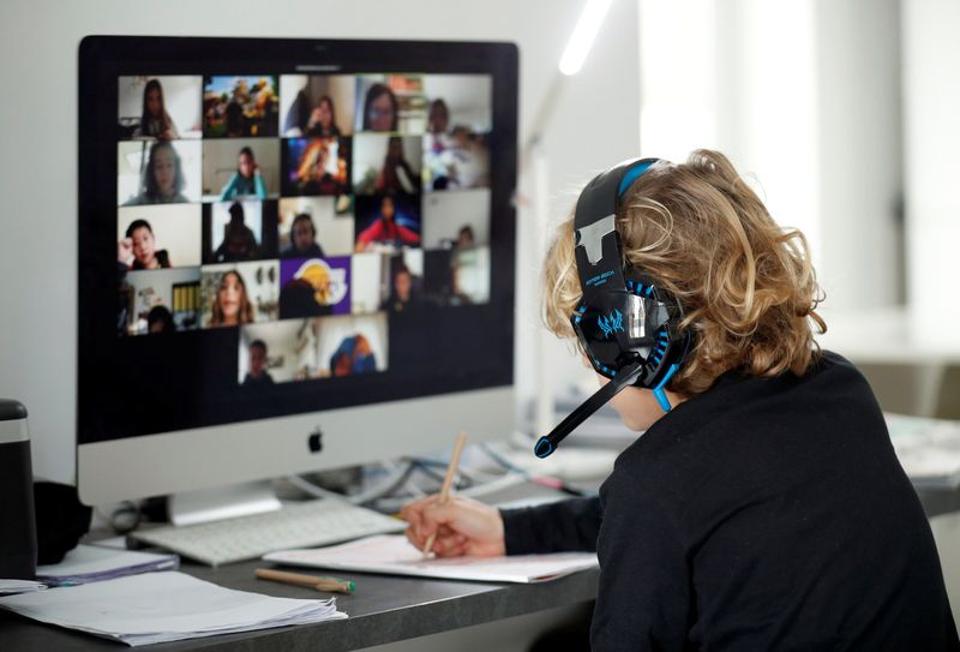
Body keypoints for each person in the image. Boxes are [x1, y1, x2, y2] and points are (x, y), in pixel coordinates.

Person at [401, 150, 959, 650]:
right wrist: (511, 529)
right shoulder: (838, 388)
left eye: (589, 342)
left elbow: (667, 516)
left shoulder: (656, 484)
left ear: (631, 340)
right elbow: (700, 510)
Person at [124, 141, 189, 205]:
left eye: (169, 165)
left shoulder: (186, 204)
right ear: (151, 170)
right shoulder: (139, 203)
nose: (164, 172)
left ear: (177, 169)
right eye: (159, 166)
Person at [355, 195, 420, 252]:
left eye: (390, 206)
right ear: (381, 209)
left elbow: (412, 237)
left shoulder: (396, 227)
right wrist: (361, 243)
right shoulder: (378, 225)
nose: (387, 210)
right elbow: (366, 235)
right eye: (384, 206)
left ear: (394, 209)